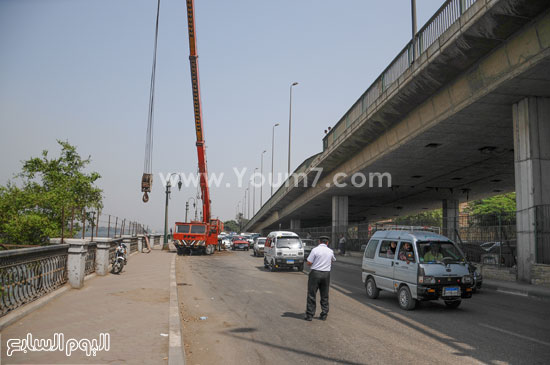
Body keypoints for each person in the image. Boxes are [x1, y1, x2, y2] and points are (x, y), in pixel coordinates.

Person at [305, 236, 336, 321]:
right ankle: (324, 314)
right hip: (326, 275)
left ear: (319, 241)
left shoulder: (315, 250)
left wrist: (317, 262)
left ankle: (310, 315)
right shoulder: (330, 251)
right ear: (327, 243)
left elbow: (309, 262)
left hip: (315, 274)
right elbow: (332, 260)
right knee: (324, 295)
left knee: (312, 294)